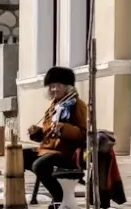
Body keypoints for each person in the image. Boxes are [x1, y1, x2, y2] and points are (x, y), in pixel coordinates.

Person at [24, 67, 88, 208]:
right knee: (20, 155)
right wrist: (37, 132)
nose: (54, 89)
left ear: (68, 87)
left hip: (67, 153)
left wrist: (64, 128)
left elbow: (83, 133)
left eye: (59, 85)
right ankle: (16, 195)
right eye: (52, 86)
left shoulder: (77, 105)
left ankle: (58, 197)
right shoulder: (54, 106)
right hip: (49, 150)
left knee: (39, 165)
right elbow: (48, 134)